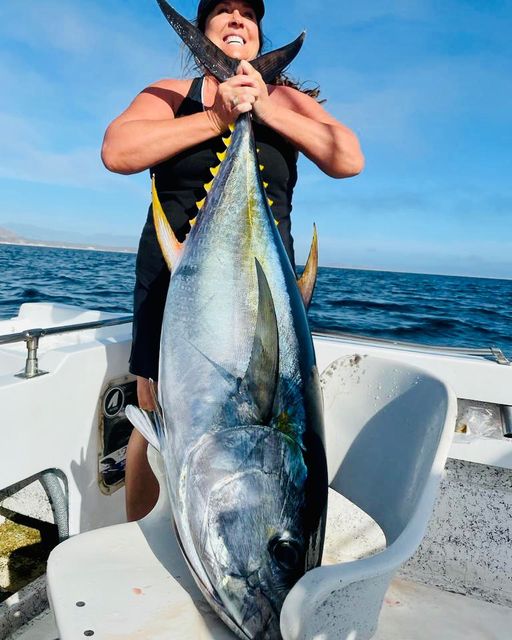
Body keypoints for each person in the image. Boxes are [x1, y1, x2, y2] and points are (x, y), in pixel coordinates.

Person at [101, 0, 364, 521]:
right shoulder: (173, 93)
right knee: (155, 412)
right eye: (222, 11)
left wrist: (263, 109)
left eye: (247, 13)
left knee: (272, 412)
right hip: (180, 283)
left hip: (269, 289)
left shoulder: (287, 98)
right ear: (202, 33)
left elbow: (347, 158)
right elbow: (118, 151)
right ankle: (138, 540)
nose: (237, 19)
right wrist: (219, 115)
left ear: (261, 37)